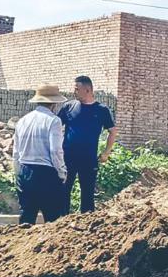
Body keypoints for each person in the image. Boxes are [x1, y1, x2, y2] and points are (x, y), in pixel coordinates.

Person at [58, 75, 116, 213]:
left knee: (88, 194)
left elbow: (113, 132)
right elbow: (55, 128)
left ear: (88, 90)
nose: (74, 92)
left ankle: (87, 226)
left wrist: (106, 153)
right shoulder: (68, 107)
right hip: (68, 158)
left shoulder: (101, 110)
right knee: (64, 191)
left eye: (77, 89)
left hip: (88, 159)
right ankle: (60, 224)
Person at [13, 84, 68, 225]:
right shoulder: (54, 121)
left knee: (26, 217)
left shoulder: (22, 121)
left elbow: (16, 152)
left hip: (24, 170)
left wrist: (18, 173)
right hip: (45, 173)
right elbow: (55, 151)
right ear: (54, 104)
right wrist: (62, 173)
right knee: (53, 218)